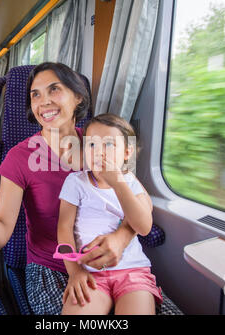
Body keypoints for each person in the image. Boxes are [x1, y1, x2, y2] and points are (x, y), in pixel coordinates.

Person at [0, 62, 153, 315]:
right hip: (52, 265)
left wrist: (121, 237)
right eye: (35, 94)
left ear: (78, 97)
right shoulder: (19, 157)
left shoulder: (99, 139)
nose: (43, 102)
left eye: (54, 90)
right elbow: (0, 237)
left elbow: (141, 198)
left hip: (122, 261)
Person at [57, 113, 163, 315]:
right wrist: (74, 272)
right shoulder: (75, 182)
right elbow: (63, 229)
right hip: (90, 272)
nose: (98, 152)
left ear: (127, 152)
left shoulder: (130, 182)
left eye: (108, 144)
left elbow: (143, 227)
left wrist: (118, 183)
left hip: (133, 272)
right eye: (92, 145)